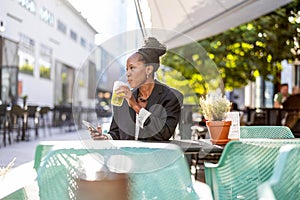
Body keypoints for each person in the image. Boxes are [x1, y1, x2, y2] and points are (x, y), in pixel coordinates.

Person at [90, 37, 183, 141]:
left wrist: (135, 106)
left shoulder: (172, 97)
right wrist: (105, 137)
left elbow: (164, 134)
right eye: (127, 69)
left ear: (148, 69)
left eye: (132, 68)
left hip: (155, 156)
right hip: (127, 157)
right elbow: (116, 133)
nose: (127, 73)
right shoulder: (123, 99)